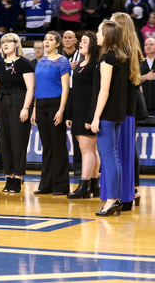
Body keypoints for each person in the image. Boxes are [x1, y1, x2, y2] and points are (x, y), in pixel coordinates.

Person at [89, 20, 130, 216]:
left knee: (108, 157)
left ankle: (112, 199)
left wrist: (96, 117)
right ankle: (116, 198)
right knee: (113, 156)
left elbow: (104, 91)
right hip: (118, 113)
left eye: (99, 32)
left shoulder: (107, 58)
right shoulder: (122, 57)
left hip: (106, 114)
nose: (96, 35)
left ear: (107, 35)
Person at [0, 33, 35, 193]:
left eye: (8, 41)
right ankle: (8, 176)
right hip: (1, 102)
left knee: (18, 139)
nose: (5, 44)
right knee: (4, 140)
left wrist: (26, 108)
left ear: (16, 44)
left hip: (18, 101)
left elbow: (30, 88)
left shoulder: (25, 63)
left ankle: (19, 177)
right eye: (3, 42)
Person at [110, 12, 144, 211]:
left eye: (112, 22)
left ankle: (128, 192)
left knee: (124, 150)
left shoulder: (122, 51)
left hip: (125, 105)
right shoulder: (130, 48)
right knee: (127, 149)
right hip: (129, 104)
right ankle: (130, 191)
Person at [31, 31, 71, 195]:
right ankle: (45, 184)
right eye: (45, 39)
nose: (46, 42)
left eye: (51, 39)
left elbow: (65, 88)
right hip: (40, 105)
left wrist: (61, 109)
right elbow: (37, 87)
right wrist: (34, 108)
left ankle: (60, 186)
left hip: (56, 103)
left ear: (57, 43)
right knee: (46, 146)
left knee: (58, 145)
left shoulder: (62, 61)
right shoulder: (40, 62)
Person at [65, 32, 101, 199]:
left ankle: (84, 186)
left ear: (92, 44)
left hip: (88, 111)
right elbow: (74, 90)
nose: (81, 43)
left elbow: (97, 92)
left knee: (87, 149)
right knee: (91, 149)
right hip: (78, 110)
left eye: (85, 41)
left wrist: (92, 116)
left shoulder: (96, 64)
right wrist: (69, 113)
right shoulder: (79, 64)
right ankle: (94, 185)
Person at [141, 37, 155, 115]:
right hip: (143, 105)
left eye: (151, 45)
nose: (148, 46)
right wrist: (146, 77)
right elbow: (132, 80)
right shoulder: (139, 63)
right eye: (146, 45)